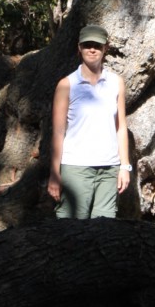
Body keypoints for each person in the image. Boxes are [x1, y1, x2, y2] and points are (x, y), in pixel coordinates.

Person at [48, 24, 131, 218]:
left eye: (97, 45)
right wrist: (54, 173)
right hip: (75, 168)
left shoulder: (115, 82)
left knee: (104, 231)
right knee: (71, 231)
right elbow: (58, 132)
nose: (92, 50)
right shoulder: (67, 85)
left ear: (106, 48)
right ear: (79, 48)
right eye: (87, 45)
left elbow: (121, 127)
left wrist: (125, 167)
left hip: (109, 170)